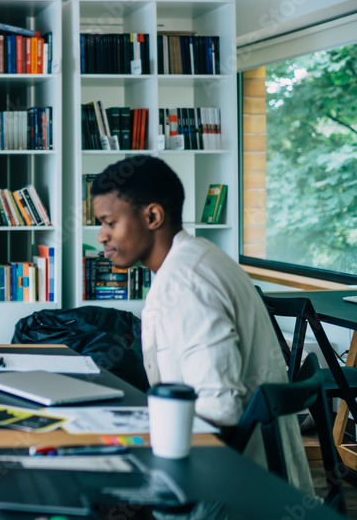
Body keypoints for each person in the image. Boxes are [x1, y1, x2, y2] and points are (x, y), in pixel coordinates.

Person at [90, 157, 313, 493]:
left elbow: (218, 413)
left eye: (109, 223)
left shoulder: (187, 284)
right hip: (248, 480)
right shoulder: (197, 258)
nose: (101, 237)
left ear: (152, 216)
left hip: (228, 491)